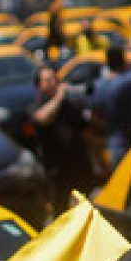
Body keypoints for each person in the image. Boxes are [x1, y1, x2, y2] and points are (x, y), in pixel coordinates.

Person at [30, 64, 99, 213]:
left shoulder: (70, 104)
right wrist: (59, 96)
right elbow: (43, 118)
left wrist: (97, 157)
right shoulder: (37, 105)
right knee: (60, 209)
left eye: (54, 79)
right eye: (47, 80)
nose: (53, 83)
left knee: (86, 206)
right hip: (57, 170)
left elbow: (86, 132)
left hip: (80, 164)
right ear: (39, 85)